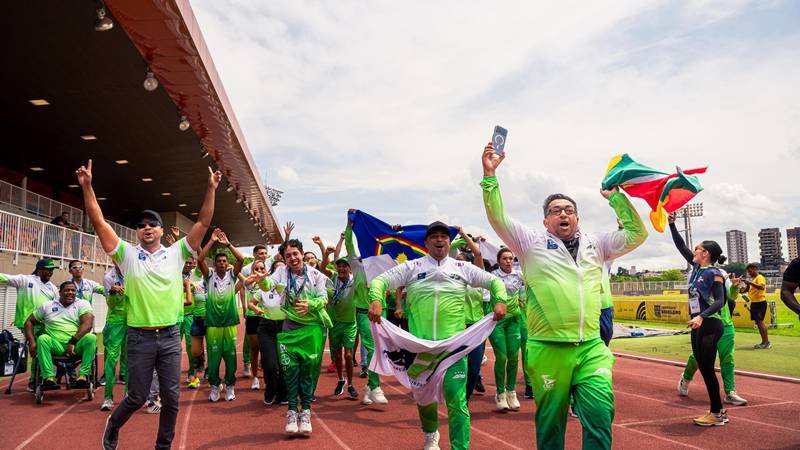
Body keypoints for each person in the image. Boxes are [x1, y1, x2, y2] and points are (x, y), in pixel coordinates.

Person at [480, 142, 647, 449]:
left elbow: (638, 234)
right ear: (546, 221)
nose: (563, 214)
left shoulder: (597, 244)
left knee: (600, 415)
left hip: (591, 347)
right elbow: (497, 218)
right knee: (551, 426)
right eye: (555, 211)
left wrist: (616, 198)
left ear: (577, 218)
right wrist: (490, 176)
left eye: (569, 210)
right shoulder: (529, 243)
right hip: (548, 349)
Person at [82, 159, 221, 450]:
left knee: (171, 398)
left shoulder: (177, 253)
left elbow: (203, 223)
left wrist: (211, 188)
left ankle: (163, 446)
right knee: (136, 396)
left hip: (170, 336)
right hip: (139, 337)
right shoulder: (127, 255)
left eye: (152, 224)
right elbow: (99, 222)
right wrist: (87, 186)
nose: (147, 228)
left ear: (161, 229)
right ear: (137, 232)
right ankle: (114, 424)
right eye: (141, 225)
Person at [367, 220, 509, 450]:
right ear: (426, 242)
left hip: (453, 348)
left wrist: (500, 300)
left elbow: (494, 281)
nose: (439, 240)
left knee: (456, 399)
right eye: (434, 236)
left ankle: (459, 447)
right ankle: (431, 435)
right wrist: (376, 299)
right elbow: (379, 280)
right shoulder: (412, 267)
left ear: (449, 242)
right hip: (420, 348)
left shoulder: (462, 267)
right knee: (424, 399)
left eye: (444, 236)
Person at [255, 238, 331, 435]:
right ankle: (291, 412)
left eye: (295, 254)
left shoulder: (316, 275)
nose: (293, 258)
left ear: (302, 253)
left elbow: (324, 297)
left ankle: (305, 411)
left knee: (307, 372)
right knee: (289, 370)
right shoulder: (281, 272)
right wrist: (261, 279)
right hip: (289, 327)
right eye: (288, 255)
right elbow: (268, 285)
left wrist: (311, 305)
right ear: (284, 258)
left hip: (311, 329)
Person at [670, 215, 747, 407]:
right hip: (699, 321)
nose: (694, 250)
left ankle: (729, 393)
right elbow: (681, 246)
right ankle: (687, 378)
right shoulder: (696, 268)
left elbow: (727, 298)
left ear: (706, 253)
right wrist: (672, 224)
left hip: (720, 322)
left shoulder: (718, 274)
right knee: (698, 358)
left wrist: (735, 287)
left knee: (727, 358)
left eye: (698, 248)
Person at [197, 229, 244, 402]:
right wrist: (211, 241)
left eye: (224, 261)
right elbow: (200, 259)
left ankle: (230, 386)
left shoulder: (232, 275)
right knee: (214, 359)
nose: (222, 263)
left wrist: (228, 244)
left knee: (231, 358)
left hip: (229, 323)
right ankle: (215, 386)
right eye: (219, 261)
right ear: (215, 264)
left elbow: (241, 259)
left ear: (227, 263)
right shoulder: (209, 276)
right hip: (213, 324)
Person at [0, 258, 58, 391]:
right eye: (48, 270)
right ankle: (34, 381)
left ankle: (46, 376)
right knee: (37, 348)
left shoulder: (53, 288)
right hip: (27, 323)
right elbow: (5, 278)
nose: (50, 272)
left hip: (45, 324)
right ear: (39, 270)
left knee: (48, 347)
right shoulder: (25, 280)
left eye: (52, 270)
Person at [24, 281, 96, 388]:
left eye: (73, 290)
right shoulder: (47, 306)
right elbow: (28, 322)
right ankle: (49, 377)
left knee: (91, 337)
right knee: (42, 338)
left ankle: (83, 375)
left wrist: (72, 342)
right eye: (67, 290)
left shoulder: (82, 304)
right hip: (56, 346)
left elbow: (88, 324)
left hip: (76, 346)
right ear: (60, 292)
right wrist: (31, 342)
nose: (70, 292)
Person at [490, 247, 524, 412]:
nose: (508, 261)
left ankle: (511, 392)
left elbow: (530, 286)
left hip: (514, 321)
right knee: (502, 357)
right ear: (498, 261)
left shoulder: (519, 274)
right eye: (505, 258)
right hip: (497, 322)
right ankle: (500, 393)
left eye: (510, 258)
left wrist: (521, 298)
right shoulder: (493, 277)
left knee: (513, 357)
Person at [252, 259, 288, 405]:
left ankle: (283, 393)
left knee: (284, 364)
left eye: (283, 269)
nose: (281, 272)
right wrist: (256, 309)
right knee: (270, 364)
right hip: (267, 328)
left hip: (285, 327)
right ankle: (270, 390)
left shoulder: (291, 287)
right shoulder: (264, 288)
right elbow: (251, 302)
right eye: (277, 269)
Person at [100, 263, 127, 411]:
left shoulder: (135, 272)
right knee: (111, 358)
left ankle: (129, 394)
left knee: (131, 358)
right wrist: (112, 292)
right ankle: (108, 397)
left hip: (133, 320)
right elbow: (110, 305)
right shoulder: (109, 278)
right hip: (115, 321)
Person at [741, 263, 770, 349]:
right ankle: (764, 342)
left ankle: (766, 342)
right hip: (754, 303)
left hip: (760, 303)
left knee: (760, 322)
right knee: (758, 322)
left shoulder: (759, 277)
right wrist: (743, 288)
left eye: (750, 271)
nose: (749, 273)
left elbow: (761, 287)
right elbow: (747, 290)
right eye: (748, 272)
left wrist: (749, 282)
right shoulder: (754, 279)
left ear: (755, 269)